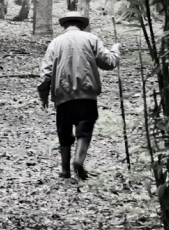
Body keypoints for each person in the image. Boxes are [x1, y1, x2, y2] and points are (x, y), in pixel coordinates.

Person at [38, 11, 120, 180]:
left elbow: (46, 72)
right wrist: (115, 50)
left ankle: (65, 170)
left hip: (63, 96)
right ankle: (78, 161)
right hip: (87, 95)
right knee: (85, 128)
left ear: (64, 25)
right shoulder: (91, 39)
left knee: (64, 131)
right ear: (82, 25)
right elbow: (108, 63)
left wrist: (43, 94)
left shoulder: (55, 43)